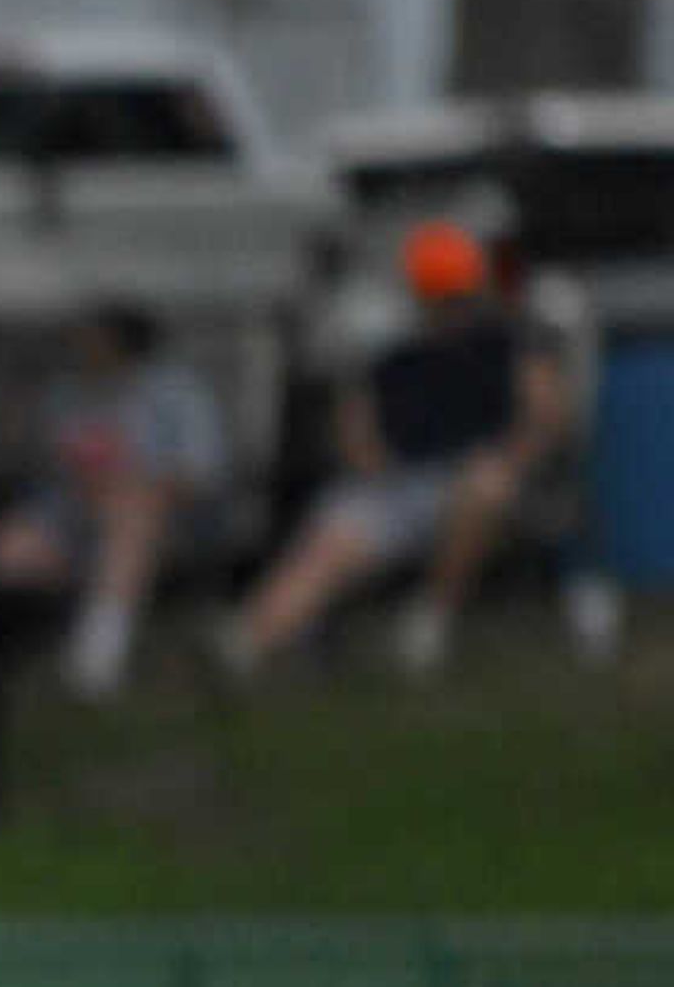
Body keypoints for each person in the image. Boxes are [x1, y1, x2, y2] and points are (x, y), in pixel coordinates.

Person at [221, 220, 573, 680]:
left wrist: (512, 458)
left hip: (480, 480)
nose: (452, 307)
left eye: (457, 295)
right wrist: (369, 460)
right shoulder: (390, 348)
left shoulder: (512, 340)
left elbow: (546, 417)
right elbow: (356, 430)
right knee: (329, 547)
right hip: (399, 482)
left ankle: (429, 620)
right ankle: (246, 645)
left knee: (486, 486)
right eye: (442, 295)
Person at [0, 300, 232, 700]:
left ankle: (96, 662)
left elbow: (202, 472)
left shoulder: (176, 393)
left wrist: (137, 485)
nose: (80, 347)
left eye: (91, 339)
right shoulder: (67, 392)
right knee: (7, 551)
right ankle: (17, 649)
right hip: (70, 510)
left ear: (121, 345)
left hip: (151, 514)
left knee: (128, 522)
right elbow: (43, 462)